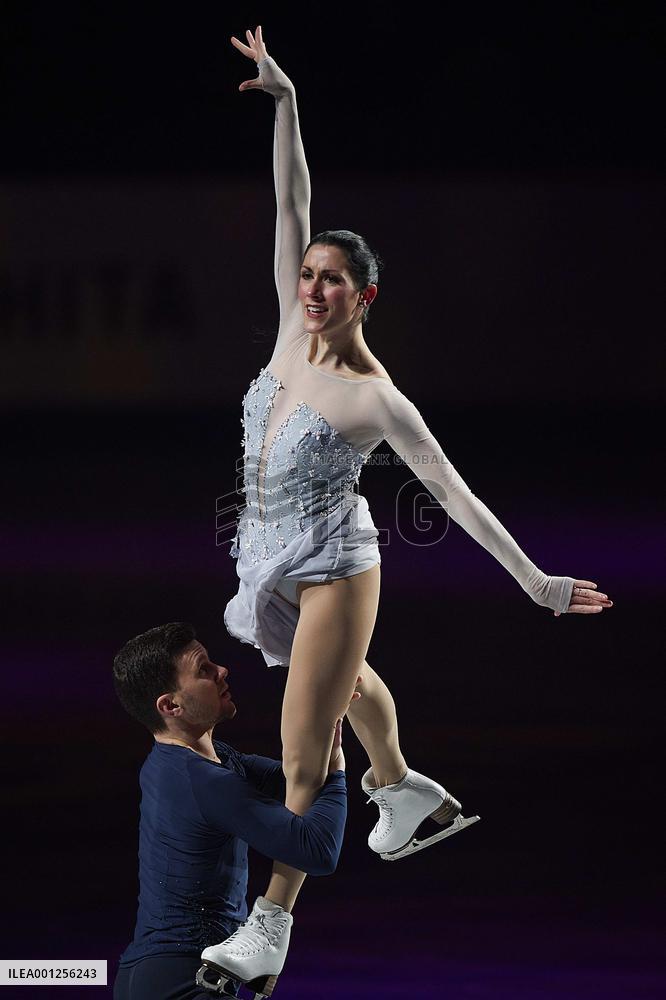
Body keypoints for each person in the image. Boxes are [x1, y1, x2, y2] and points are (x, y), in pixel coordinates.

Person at [216, 22, 615, 984]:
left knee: (303, 744)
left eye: (333, 280)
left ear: (365, 297)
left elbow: (454, 494)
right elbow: (291, 196)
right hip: (265, 550)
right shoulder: (288, 324)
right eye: (308, 273)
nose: (313, 287)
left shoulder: (377, 399)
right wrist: (287, 101)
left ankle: (268, 929)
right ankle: (402, 789)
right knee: (344, 683)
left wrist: (537, 583)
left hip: (336, 564)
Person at [112, 622, 357, 999]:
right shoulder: (203, 781)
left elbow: (299, 779)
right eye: (203, 670)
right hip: (182, 978)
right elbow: (317, 850)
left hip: (158, 973)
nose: (222, 671)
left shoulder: (202, 760)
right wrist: (338, 768)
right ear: (171, 706)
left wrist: (324, 721)